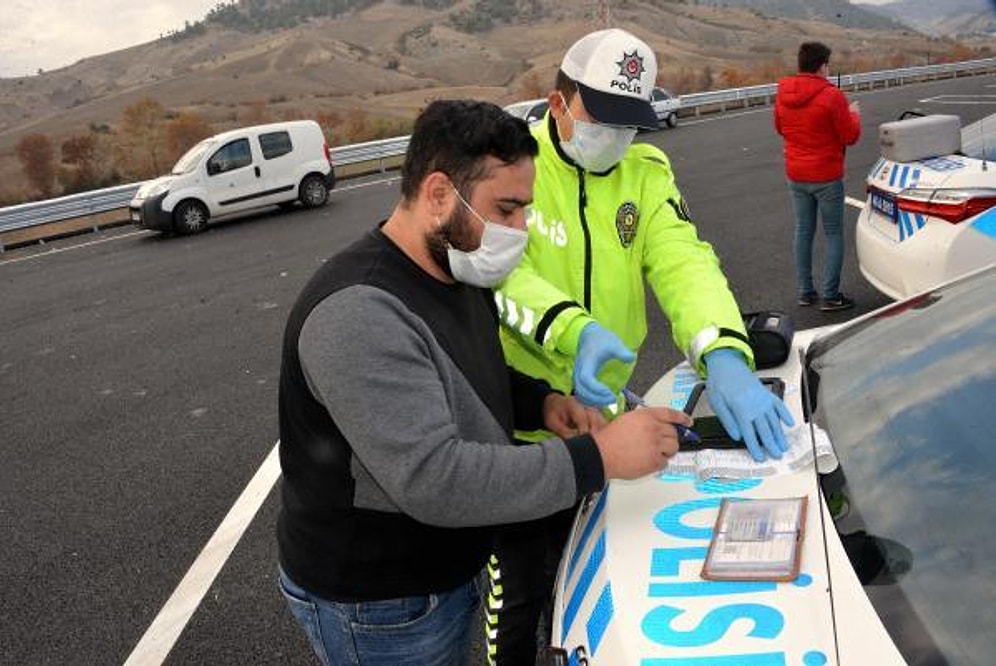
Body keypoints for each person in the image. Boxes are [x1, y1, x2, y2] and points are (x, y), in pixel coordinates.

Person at [275, 99, 694, 666]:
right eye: (507, 209)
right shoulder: (359, 313)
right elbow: (435, 478)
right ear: (440, 194)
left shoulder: (453, 263)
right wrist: (596, 456)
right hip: (378, 602)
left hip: (444, 569)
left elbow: (472, 373)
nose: (520, 230)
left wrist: (543, 404)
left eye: (525, 210)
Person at [487, 29, 796, 665]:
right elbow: (499, 273)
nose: (618, 138)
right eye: (604, 119)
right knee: (517, 601)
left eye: (631, 122)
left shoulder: (644, 173)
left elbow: (685, 264)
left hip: (605, 420)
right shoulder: (513, 169)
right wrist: (573, 329)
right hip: (521, 421)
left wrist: (726, 356)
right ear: (559, 104)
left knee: (603, 584)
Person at [774, 41, 862, 312]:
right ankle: (831, 295)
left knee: (803, 230)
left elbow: (780, 127)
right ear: (823, 65)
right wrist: (854, 115)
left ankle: (806, 291)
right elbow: (850, 136)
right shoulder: (832, 96)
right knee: (834, 233)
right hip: (826, 174)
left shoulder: (783, 91)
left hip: (796, 173)